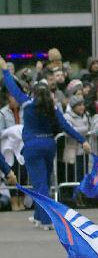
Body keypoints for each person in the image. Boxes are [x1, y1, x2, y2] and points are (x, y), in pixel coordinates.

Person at [1, 56, 90, 230]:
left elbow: (12, 86)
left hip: (33, 147)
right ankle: (38, 216)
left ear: (33, 93)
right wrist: (82, 141)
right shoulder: (53, 107)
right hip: (49, 145)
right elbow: (66, 126)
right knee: (46, 183)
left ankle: (47, 220)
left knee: (39, 185)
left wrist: (5, 70)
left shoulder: (27, 104)